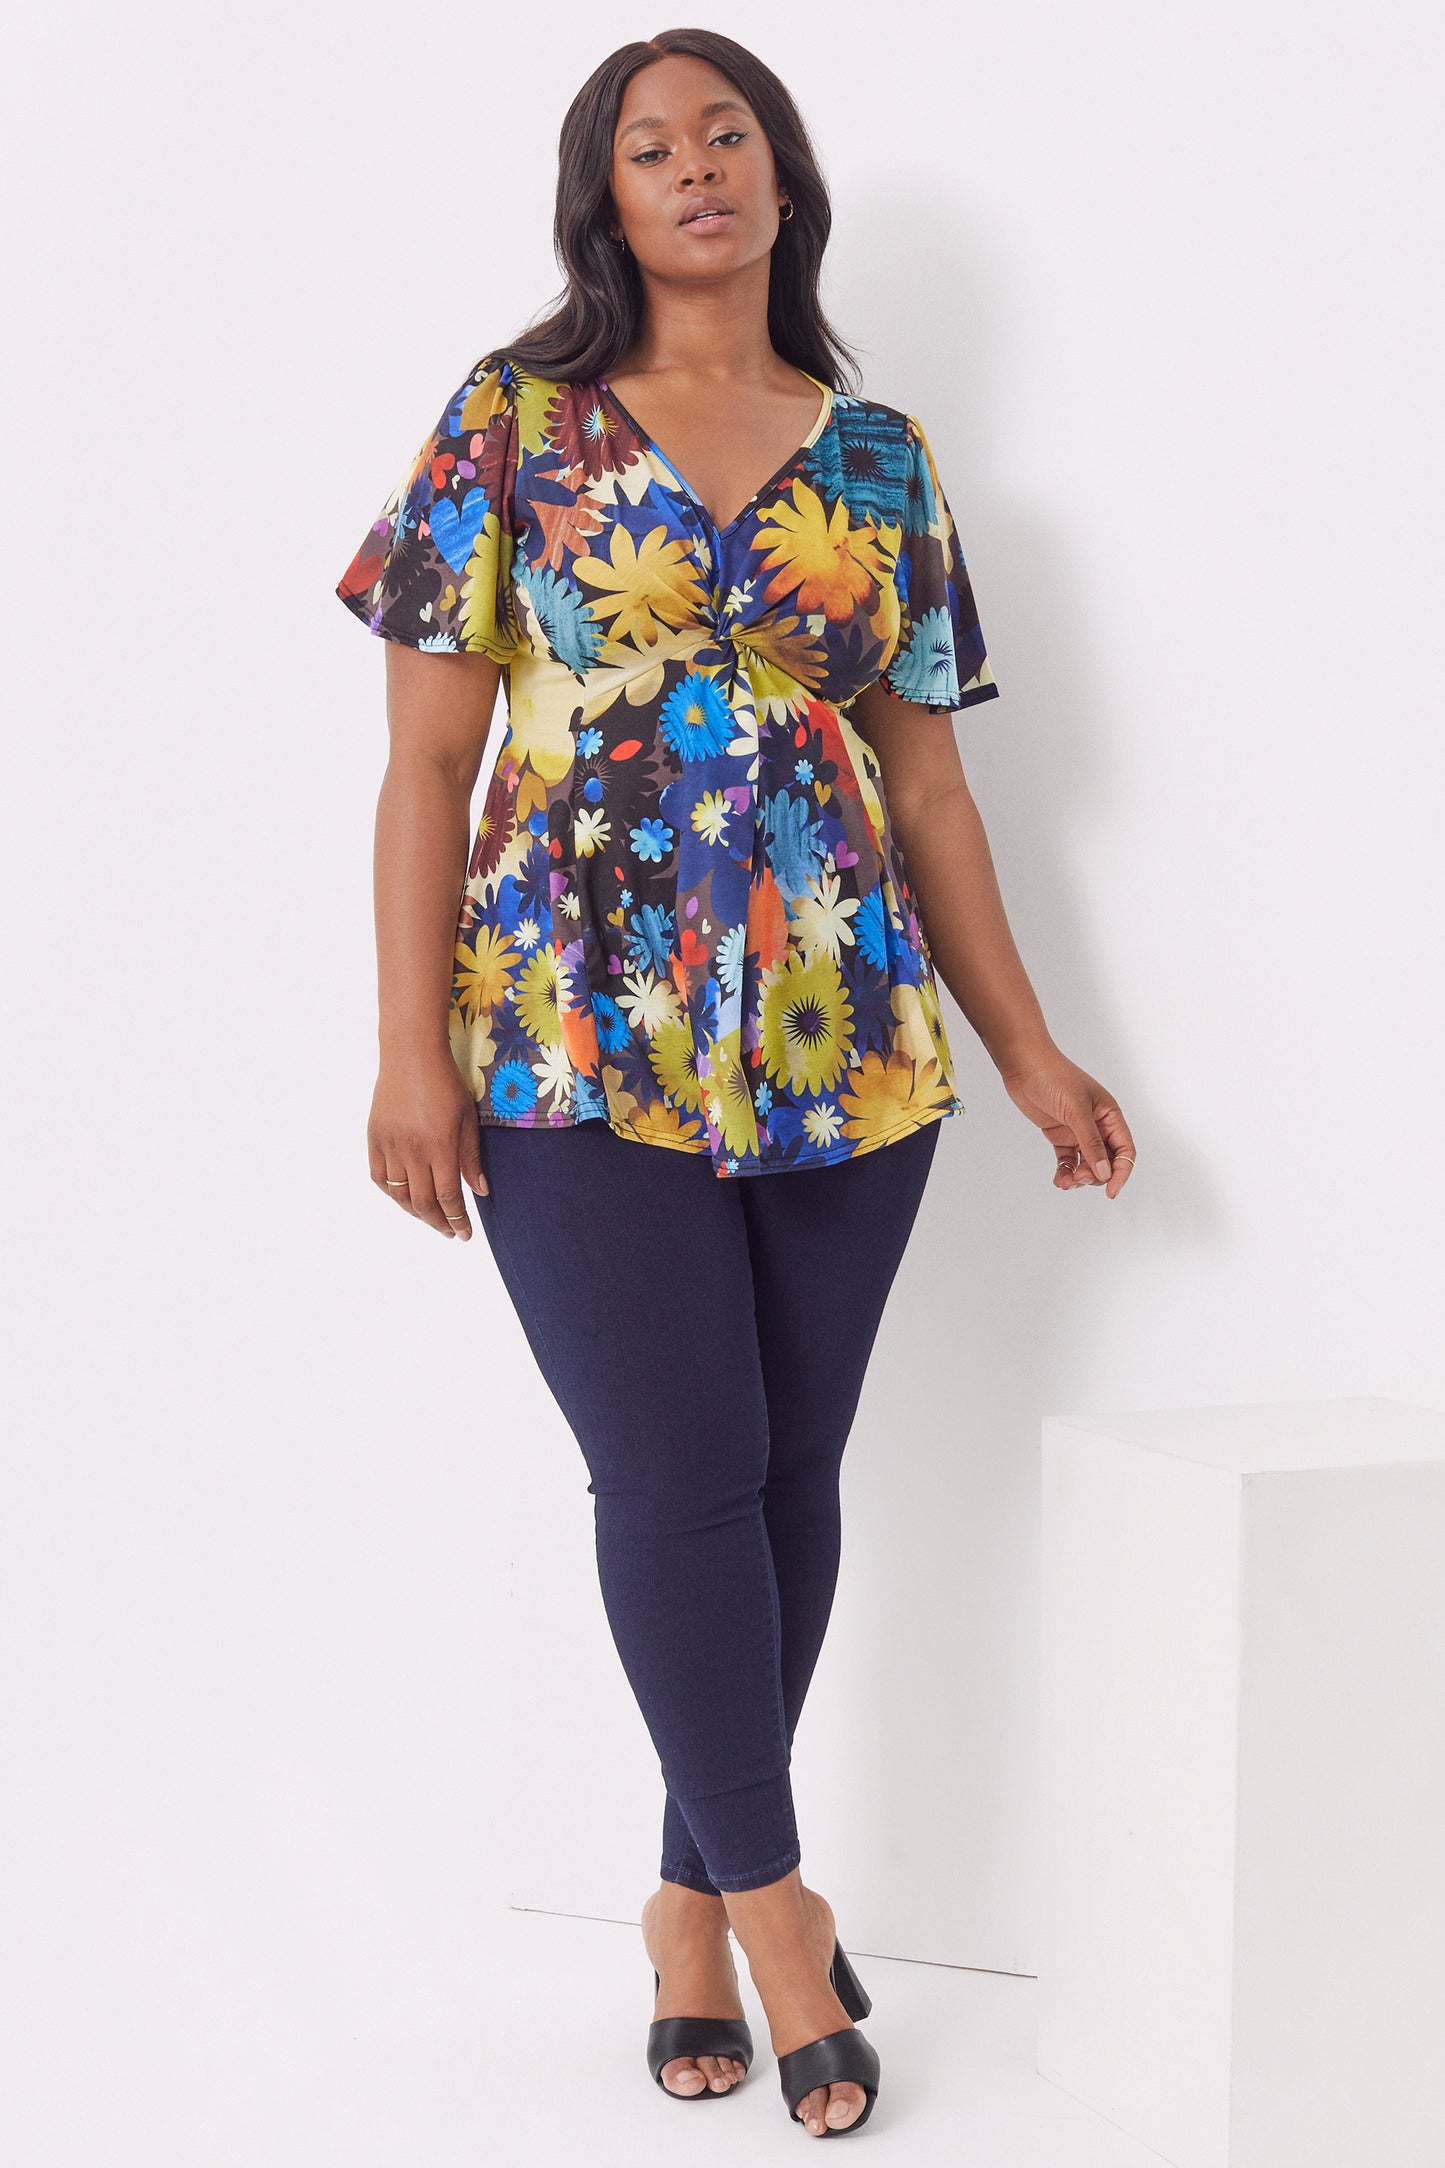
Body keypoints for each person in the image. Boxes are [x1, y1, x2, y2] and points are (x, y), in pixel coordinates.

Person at [334, 27, 1136, 2141]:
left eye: (728, 134)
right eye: (649, 145)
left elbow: (932, 790)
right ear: (601, 196)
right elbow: (426, 763)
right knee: (673, 1476)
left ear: (783, 180)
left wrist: (1033, 1051)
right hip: (567, 1035)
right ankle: (787, 1922)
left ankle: (684, 1907)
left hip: (840, 1036)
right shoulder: (511, 421)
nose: (694, 166)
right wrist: (408, 1045)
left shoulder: (878, 455)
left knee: (785, 1483)